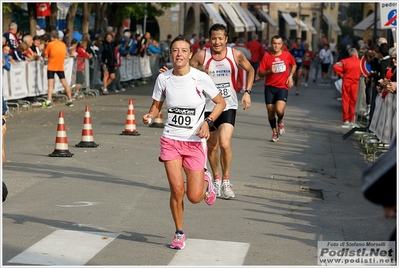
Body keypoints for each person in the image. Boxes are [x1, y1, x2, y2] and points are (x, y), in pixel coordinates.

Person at [142, 35, 226, 250]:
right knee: (177, 190)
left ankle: (206, 183)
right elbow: (156, 106)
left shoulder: (200, 78)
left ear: (190, 54)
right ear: (171, 54)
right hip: (171, 139)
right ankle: (179, 232)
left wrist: (208, 122)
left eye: (183, 50)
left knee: (194, 197)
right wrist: (150, 115)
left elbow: (220, 103)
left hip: (195, 141)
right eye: (175, 50)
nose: (179, 54)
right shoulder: (164, 79)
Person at [190, 23, 254, 199]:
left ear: (226, 39)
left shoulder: (236, 55)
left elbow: (250, 70)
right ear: (209, 39)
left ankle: (226, 181)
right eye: (213, 38)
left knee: (225, 144)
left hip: (228, 105)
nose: (217, 42)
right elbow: (187, 71)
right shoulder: (202, 55)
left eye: (220, 38)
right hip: (208, 107)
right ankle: (216, 180)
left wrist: (247, 92)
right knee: (212, 146)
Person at [257, 35, 296, 142]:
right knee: (270, 111)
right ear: (271, 43)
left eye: (279, 44)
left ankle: (281, 120)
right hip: (269, 87)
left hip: (282, 87)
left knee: (279, 109)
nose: (276, 46)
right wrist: (270, 71)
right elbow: (260, 73)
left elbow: (294, 65)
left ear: (282, 45)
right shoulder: (267, 56)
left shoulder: (287, 55)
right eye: (274, 43)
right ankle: (274, 133)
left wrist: (290, 76)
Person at [42, 30, 74, 108]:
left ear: (52, 37)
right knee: (65, 83)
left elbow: (46, 55)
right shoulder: (63, 44)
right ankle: (70, 100)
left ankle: (48, 101)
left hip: (51, 66)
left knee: (50, 84)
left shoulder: (50, 44)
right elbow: (65, 54)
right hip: (60, 66)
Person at [332, 48, 361, 128]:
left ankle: (346, 119)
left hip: (346, 82)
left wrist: (341, 74)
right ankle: (352, 119)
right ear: (356, 54)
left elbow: (335, 66)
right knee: (353, 102)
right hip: (355, 83)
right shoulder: (360, 62)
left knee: (346, 101)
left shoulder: (344, 61)